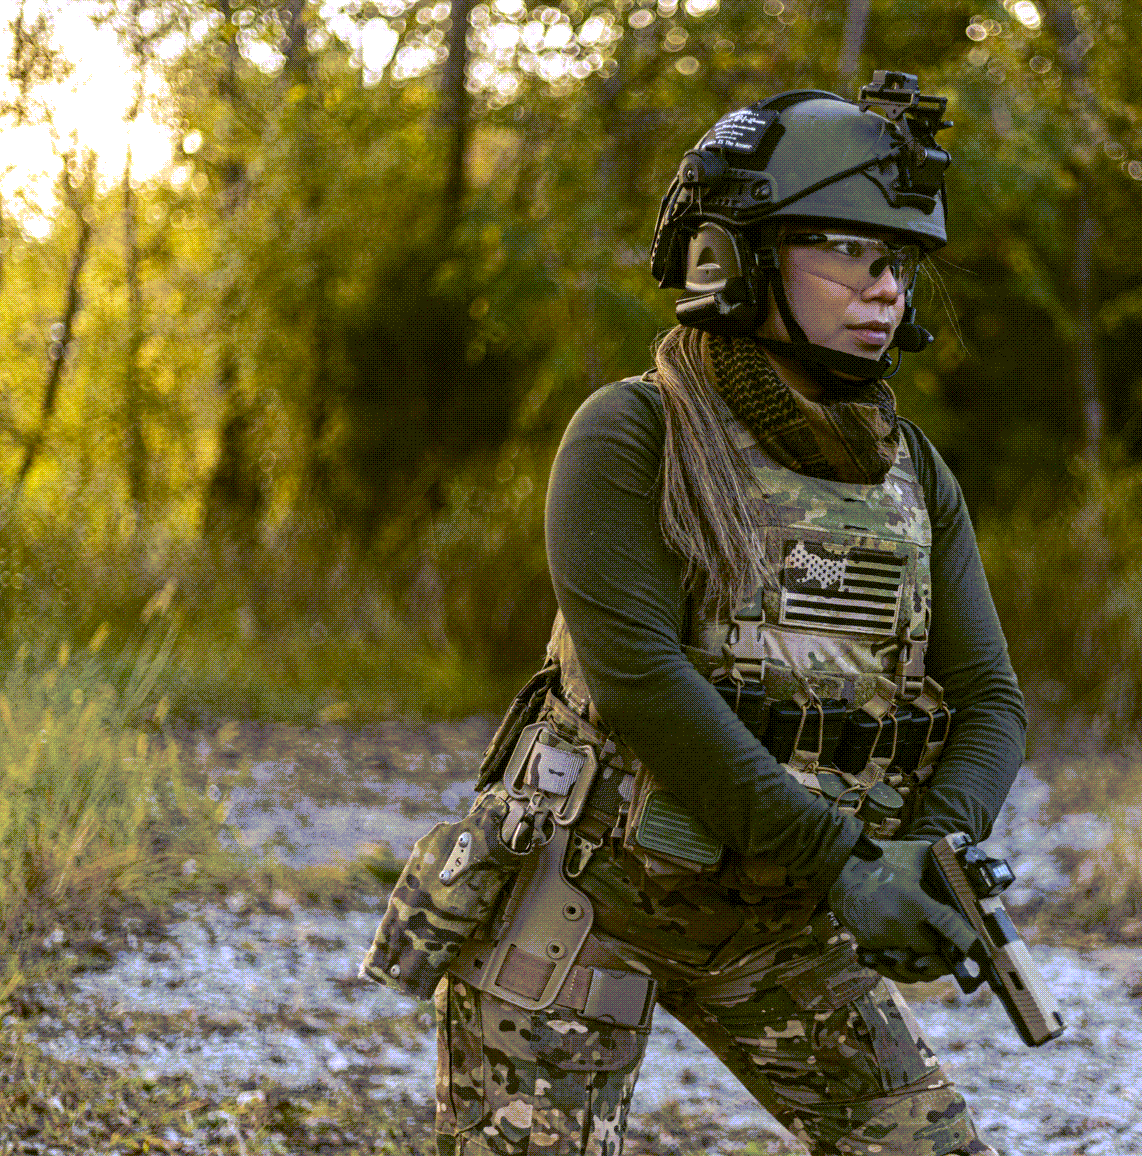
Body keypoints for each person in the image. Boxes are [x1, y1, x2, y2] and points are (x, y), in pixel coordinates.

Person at [433, 72, 1026, 1156]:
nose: (884, 287)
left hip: (779, 916)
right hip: (589, 899)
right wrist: (848, 863)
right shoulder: (630, 434)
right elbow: (643, 683)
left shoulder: (912, 471)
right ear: (733, 258)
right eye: (847, 250)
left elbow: (992, 699)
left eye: (898, 263)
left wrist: (932, 846)